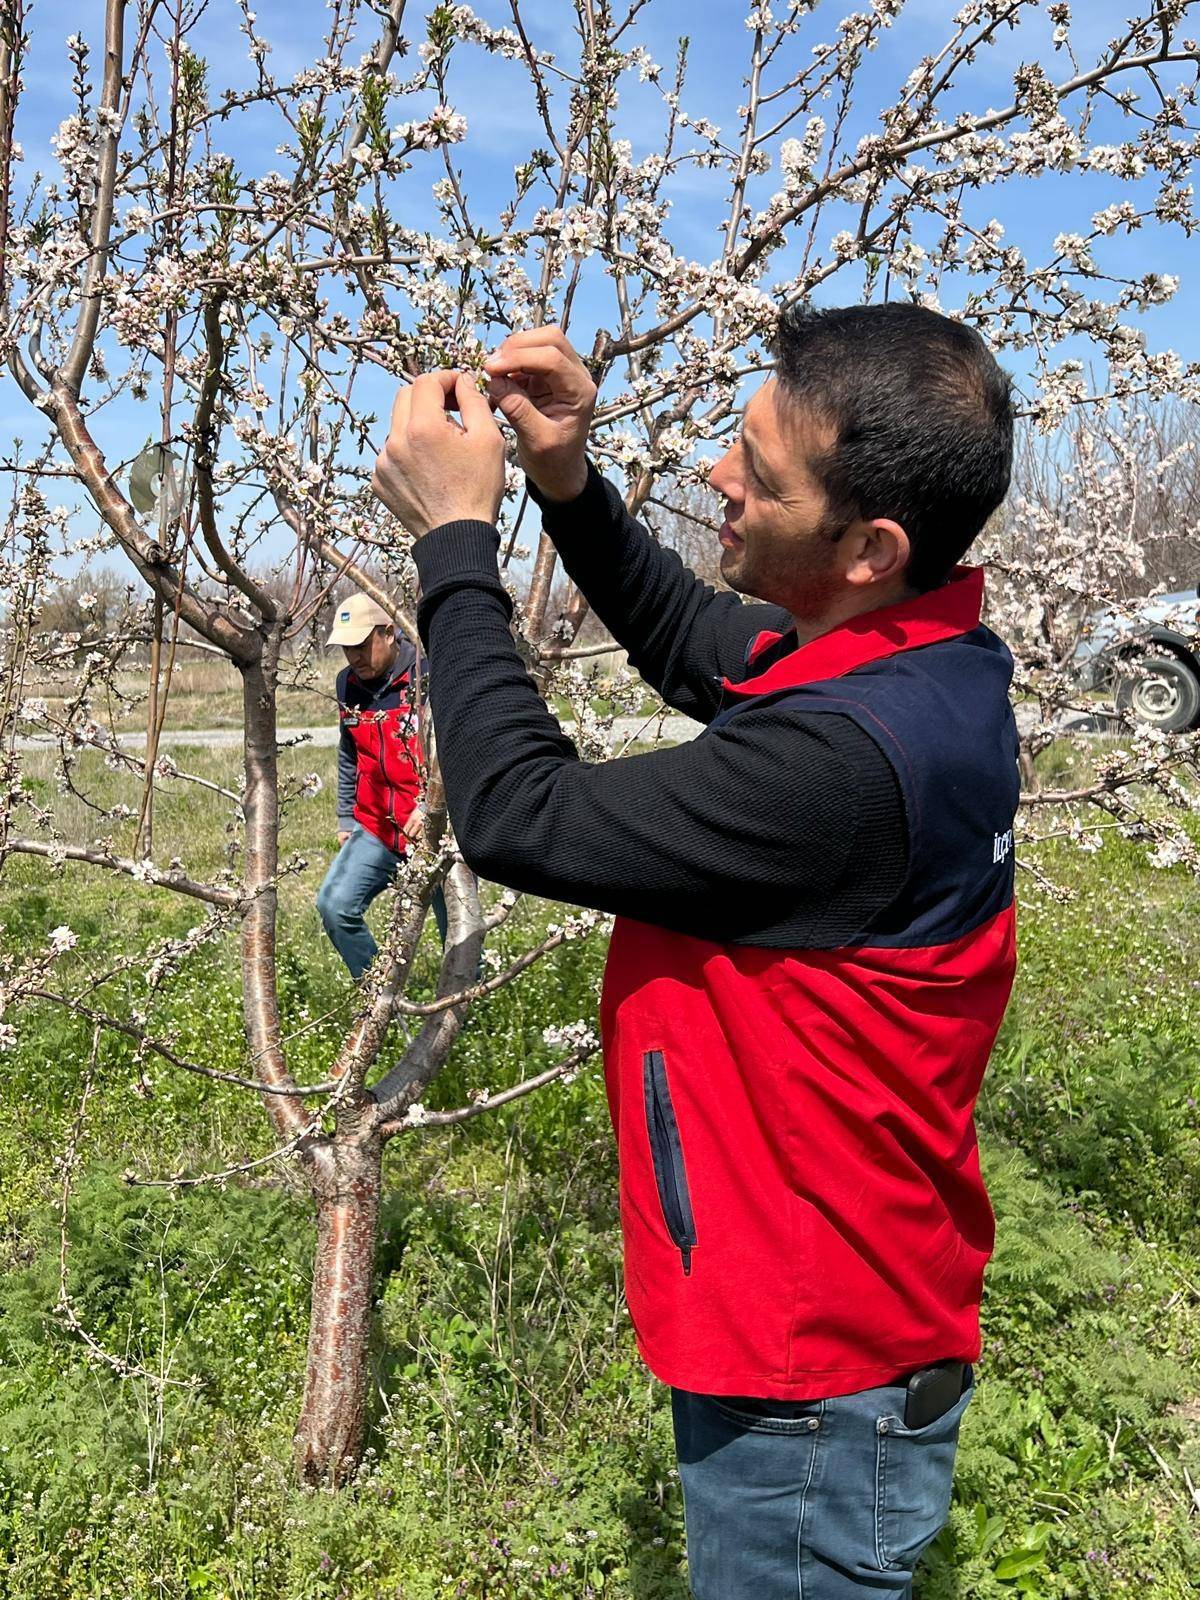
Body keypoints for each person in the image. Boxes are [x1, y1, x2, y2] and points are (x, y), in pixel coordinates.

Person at [371, 304, 1019, 1599]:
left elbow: (519, 813)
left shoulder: (844, 766)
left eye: (758, 475)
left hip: (812, 1381)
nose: (716, 478)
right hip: (836, 1325)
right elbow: (688, 639)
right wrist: (565, 479)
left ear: (870, 546)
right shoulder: (912, 658)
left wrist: (453, 542)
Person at [316, 591, 446, 980]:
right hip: (377, 826)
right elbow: (348, 753)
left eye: (361, 645)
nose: (353, 657)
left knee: (456, 932)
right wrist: (345, 817)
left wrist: (432, 809)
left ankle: (466, 1014)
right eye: (345, 649)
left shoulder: (428, 678)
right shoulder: (348, 685)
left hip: (436, 828)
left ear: (388, 633)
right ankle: (378, 995)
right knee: (334, 905)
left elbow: (457, 755)